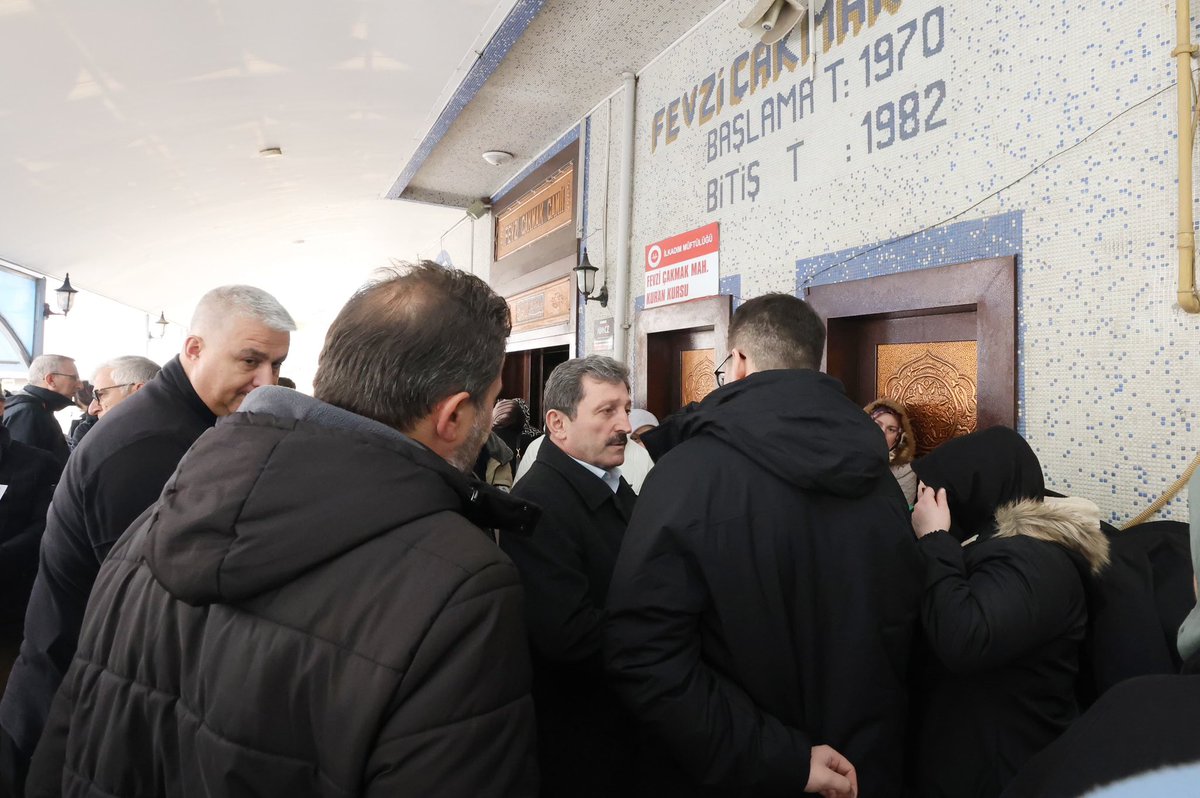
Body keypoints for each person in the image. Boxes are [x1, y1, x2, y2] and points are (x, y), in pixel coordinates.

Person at [26, 262, 540, 797]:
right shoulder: (463, 585)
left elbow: (70, 726)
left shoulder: (162, 513)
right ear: (454, 414)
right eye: (492, 395)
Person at [605, 293, 922, 797]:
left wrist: (782, 758)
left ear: (741, 362)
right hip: (862, 767)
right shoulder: (880, 482)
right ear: (812, 360)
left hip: (743, 771)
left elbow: (643, 654)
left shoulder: (687, 475)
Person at [0, 286, 293, 798]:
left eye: (276, 363)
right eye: (250, 359)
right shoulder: (151, 445)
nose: (266, 380)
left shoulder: (184, 424)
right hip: (72, 709)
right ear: (194, 349)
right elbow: (153, 608)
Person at [909, 427, 1111, 798]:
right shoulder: (1002, 549)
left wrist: (934, 539)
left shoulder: (1032, 559)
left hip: (1007, 771)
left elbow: (965, 638)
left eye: (939, 493)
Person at [501, 356, 638, 796]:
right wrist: (666, 627)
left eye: (627, 409)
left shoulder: (613, 485)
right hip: (584, 737)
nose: (625, 425)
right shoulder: (540, 504)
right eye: (607, 411)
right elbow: (568, 636)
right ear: (558, 424)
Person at [2, 356, 78, 468]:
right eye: (74, 378)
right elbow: (22, 472)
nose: (80, 385)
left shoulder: (34, 408)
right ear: (50, 380)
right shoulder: (29, 412)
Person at [864, 397, 917, 505]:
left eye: (891, 429)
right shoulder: (847, 454)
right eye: (877, 424)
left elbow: (901, 512)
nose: (882, 433)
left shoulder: (905, 470)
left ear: (899, 437)